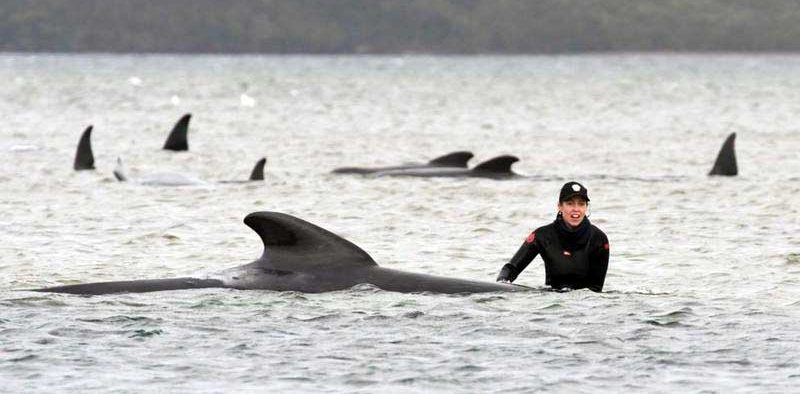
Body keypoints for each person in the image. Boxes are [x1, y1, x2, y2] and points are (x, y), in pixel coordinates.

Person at [496, 181, 609, 292]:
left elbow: (596, 289)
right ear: (560, 206)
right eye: (570, 203)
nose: (576, 209)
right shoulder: (542, 235)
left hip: (585, 305)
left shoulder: (599, 239)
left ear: (586, 207)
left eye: (581, 204)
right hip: (552, 302)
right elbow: (511, 268)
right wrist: (501, 284)